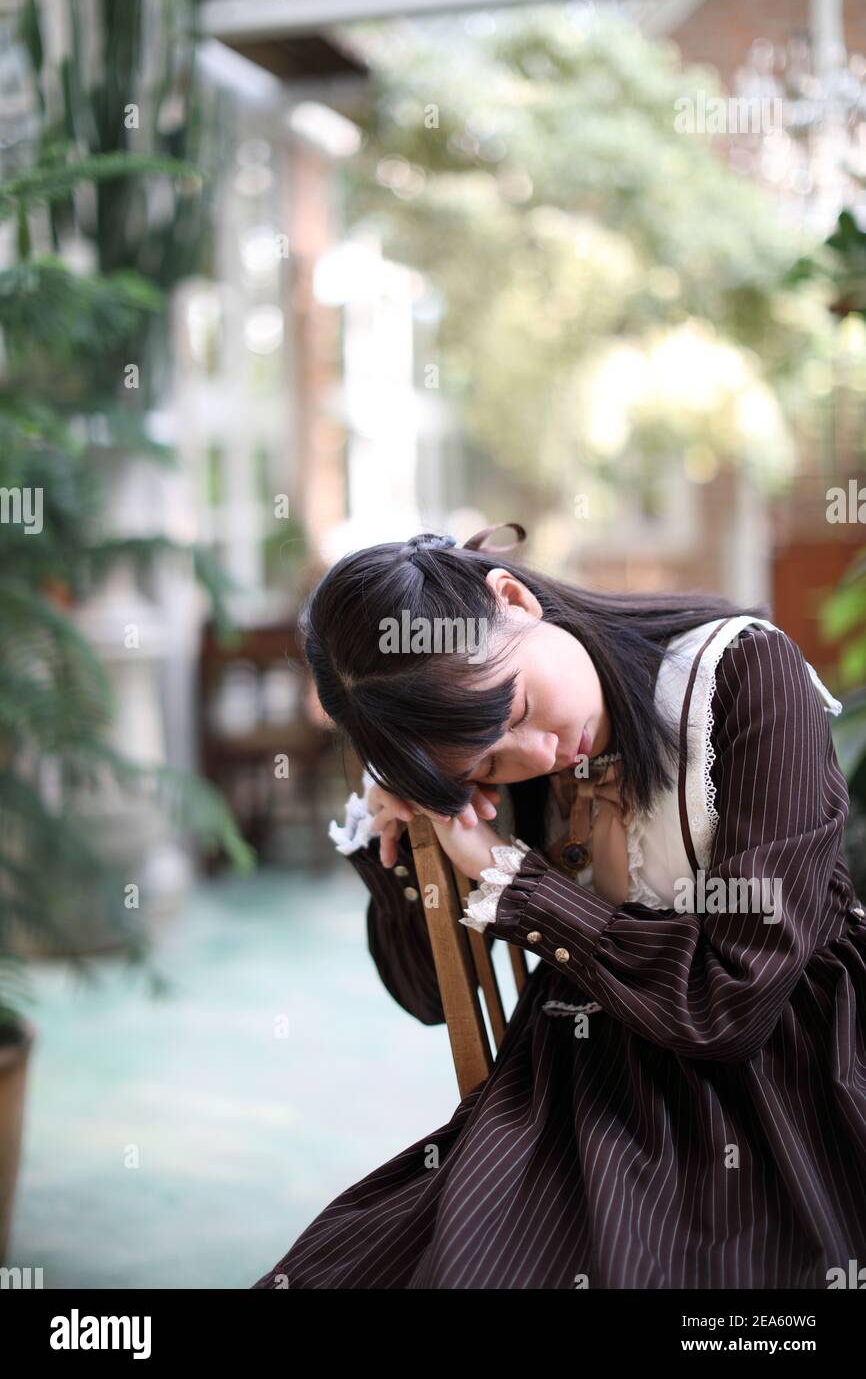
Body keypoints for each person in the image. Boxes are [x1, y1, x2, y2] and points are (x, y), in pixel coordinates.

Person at [252, 523, 866, 1290]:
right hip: (587, 1075)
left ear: (512, 598)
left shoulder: (740, 676)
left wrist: (518, 885)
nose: (539, 756)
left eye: (516, 709)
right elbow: (428, 996)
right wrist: (410, 824)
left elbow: (732, 1003)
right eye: (490, 759)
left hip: (786, 1068)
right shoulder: (495, 766)